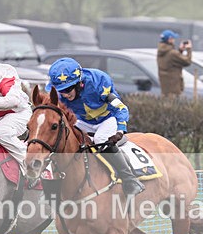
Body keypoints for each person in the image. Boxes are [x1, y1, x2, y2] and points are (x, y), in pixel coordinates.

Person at [46, 57, 144, 197]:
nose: (65, 95)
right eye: (61, 90)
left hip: (106, 120)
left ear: (79, 83)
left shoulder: (99, 83)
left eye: (68, 89)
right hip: (83, 122)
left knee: (100, 139)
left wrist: (120, 130)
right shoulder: (59, 95)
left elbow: (121, 108)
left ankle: (130, 179)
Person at [156, 29, 192, 96]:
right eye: (173, 38)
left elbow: (173, 61)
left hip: (165, 90)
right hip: (174, 90)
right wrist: (189, 49)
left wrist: (180, 50)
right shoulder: (172, 53)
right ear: (169, 39)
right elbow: (187, 62)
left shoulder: (161, 52)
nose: (174, 40)